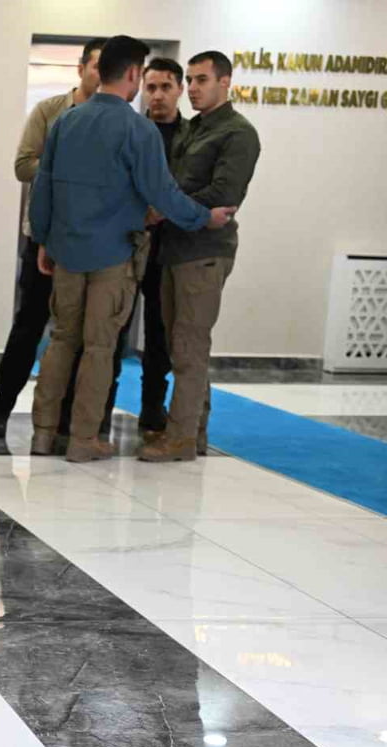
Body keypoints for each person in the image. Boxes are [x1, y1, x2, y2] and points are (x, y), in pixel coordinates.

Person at [29, 35, 236, 463]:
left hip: (66, 252)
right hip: (113, 257)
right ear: (132, 75)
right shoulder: (138, 129)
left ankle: (44, 434)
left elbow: (42, 188)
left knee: (62, 341)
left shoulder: (66, 122)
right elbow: (162, 193)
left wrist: (44, 240)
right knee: (100, 348)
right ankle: (84, 439)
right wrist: (204, 217)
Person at [141, 51, 260, 462]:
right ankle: (193, 433)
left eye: (201, 80)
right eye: (189, 80)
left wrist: (165, 209)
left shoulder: (238, 133)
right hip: (177, 249)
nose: (192, 88)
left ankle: (179, 440)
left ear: (225, 82)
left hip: (204, 253)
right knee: (182, 348)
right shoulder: (194, 129)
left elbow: (223, 195)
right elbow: (175, 185)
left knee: (189, 347)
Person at [0, 38, 105, 440]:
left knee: (83, 334)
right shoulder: (50, 111)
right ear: (81, 68)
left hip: (89, 244)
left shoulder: (113, 120)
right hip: (42, 239)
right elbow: (23, 166)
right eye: (95, 66)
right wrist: (66, 167)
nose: (100, 76)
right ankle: (1, 408)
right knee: (29, 327)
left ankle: (72, 418)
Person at [134, 57, 187, 434]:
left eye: (165, 87)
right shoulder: (134, 131)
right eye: (150, 87)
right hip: (127, 241)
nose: (157, 95)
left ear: (180, 89)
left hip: (172, 248)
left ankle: (152, 406)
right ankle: (99, 408)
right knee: (113, 329)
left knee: (160, 331)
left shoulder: (191, 136)